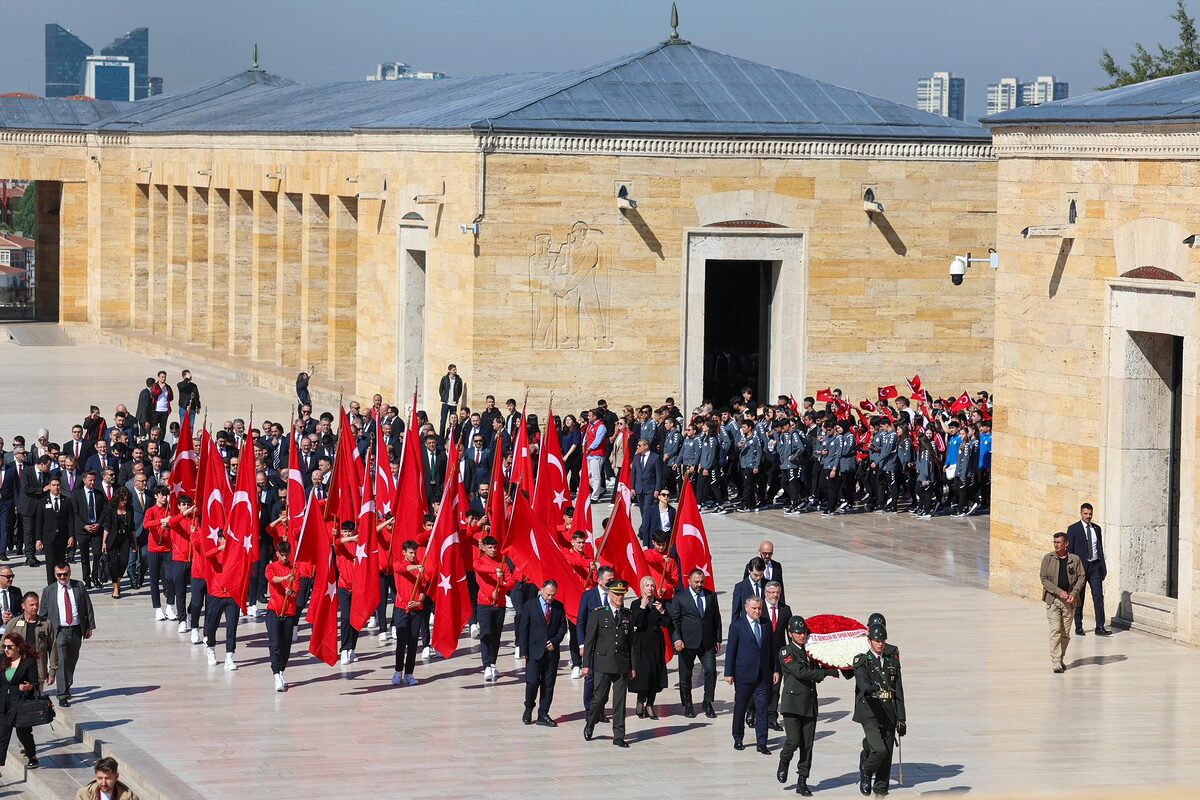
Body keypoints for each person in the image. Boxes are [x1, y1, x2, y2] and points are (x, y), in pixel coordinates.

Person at [777, 616, 839, 795]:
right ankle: (784, 760)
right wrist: (825, 672)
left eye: (804, 632)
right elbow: (801, 672)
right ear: (790, 634)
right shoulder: (786, 652)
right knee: (793, 740)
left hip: (809, 703)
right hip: (793, 703)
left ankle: (802, 780)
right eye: (798, 632)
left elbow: (817, 665)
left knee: (807, 745)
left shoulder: (811, 651)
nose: (802, 635)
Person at [853, 624, 906, 797]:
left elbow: (898, 690)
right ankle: (866, 770)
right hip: (870, 712)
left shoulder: (891, 662)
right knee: (879, 750)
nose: (880, 644)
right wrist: (871, 688)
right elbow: (862, 682)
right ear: (869, 641)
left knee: (887, 755)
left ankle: (881, 791)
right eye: (876, 640)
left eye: (882, 640)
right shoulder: (862, 660)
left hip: (889, 712)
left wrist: (902, 719)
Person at [582, 578, 634, 748]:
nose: (620, 597)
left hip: (622, 664)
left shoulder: (627, 615)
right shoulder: (598, 613)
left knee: (620, 700)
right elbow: (590, 641)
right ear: (610, 594)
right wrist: (586, 665)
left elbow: (631, 643)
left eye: (622, 594)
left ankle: (619, 735)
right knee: (599, 698)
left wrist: (633, 666)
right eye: (617, 594)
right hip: (603, 662)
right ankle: (590, 724)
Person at [724, 596, 778, 754]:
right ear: (746, 608)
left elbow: (771, 650)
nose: (757, 611)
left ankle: (762, 743)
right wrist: (729, 673)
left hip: (763, 675)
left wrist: (775, 669)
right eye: (754, 608)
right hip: (744, 675)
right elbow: (731, 651)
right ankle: (738, 737)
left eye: (759, 608)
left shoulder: (766, 625)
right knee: (741, 708)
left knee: (762, 710)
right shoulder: (737, 626)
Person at [39, 561, 95, 707]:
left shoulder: (79, 586)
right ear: (55, 575)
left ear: (70, 573)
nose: (63, 577)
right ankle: (62, 694)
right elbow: (43, 614)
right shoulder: (48, 591)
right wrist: (43, 633)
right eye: (59, 574)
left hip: (76, 629)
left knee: (72, 660)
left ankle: (67, 686)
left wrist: (89, 627)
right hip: (59, 631)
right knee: (62, 662)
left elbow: (87, 607)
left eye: (65, 574)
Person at [669, 568, 722, 719]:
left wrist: (718, 638)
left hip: (707, 643)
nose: (699, 584)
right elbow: (675, 621)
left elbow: (716, 618)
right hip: (687, 643)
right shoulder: (680, 597)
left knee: (711, 671)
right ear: (689, 581)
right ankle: (688, 704)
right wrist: (677, 639)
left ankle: (707, 702)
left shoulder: (711, 596)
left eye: (701, 582)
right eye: (696, 582)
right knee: (685, 676)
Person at [517, 579, 567, 727]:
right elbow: (523, 629)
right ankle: (529, 707)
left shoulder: (558, 607)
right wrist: (523, 651)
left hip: (551, 653)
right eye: (548, 594)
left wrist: (556, 641)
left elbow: (562, 628)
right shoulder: (530, 606)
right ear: (541, 590)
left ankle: (543, 713)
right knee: (532, 682)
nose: (550, 598)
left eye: (553, 595)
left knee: (548, 684)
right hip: (533, 651)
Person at [1040, 531, 1085, 673]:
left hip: (1069, 602)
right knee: (1055, 630)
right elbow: (1044, 579)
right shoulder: (1048, 558)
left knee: (1065, 633)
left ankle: (1060, 658)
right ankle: (1056, 661)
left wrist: (1074, 593)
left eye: (1059, 542)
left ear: (1066, 544)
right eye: (1054, 542)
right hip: (1053, 600)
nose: (1056, 545)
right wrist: (1059, 592)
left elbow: (1081, 576)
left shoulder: (1075, 559)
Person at [629, 575, 670, 720]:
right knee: (643, 675)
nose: (650, 588)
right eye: (647, 586)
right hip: (641, 643)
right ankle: (640, 701)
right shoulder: (635, 604)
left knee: (654, 674)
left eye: (652, 586)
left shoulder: (659, 603)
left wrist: (662, 612)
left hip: (656, 644)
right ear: (642, 588)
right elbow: (635, 623)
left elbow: (666, 623)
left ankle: (650, 704)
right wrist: (642, 606)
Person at [474, 535, 514, 682]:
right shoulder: (479, 561)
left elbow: (511, 581)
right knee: (486, 634)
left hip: (500, 604)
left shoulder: (502, 563)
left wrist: (502, 587)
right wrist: (495, 569)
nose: (493, 550)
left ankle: (492, 663)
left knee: (496, 636)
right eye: (489, 547)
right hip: (484, 604)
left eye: (495, 547)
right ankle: (486, 666)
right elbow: (480, 568)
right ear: (483, 548)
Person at [1066, 502, 1110, 636]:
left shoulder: (1096, 529)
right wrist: (1071, 571)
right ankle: (1078, 626)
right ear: (1081, 513)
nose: (1088, 516)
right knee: (1080, 598)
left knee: (1098, 597)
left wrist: (1102, 567)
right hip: (1080, 569)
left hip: (1095, 567)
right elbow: (1070, 552)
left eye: (1090, 514)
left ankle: (1100, 626)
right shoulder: (1073, 529)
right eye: (1086, 514)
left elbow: (1100, 549)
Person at [264, 539, 300, 692]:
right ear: (277, 554)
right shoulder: (271, 567)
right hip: (274, 611)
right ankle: (276, 674)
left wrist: (290, 592)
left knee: (286, 646)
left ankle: (282, 671)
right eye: (282, 555)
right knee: (274, 644)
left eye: (287, 555)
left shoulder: (295, 570)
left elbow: (296, 592)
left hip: (289, 613)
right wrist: (286, 579)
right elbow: (273, 579)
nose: (285, 558)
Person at [576, 566, 613, 714]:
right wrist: (581, 643)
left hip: (608, 644)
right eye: (608, 580)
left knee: (605, 679)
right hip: (591, 644)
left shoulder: (614, 595)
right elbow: (580, 621)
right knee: (590, 678)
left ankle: (600, 709)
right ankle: (589, 710)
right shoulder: (588, 596)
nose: (611, 582)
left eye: (612, 579)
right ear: (599, 580)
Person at [0, 631, 39, 774]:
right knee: (2, 735)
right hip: (4, 703)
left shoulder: (28, 662)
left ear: (18, 647)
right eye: (5, 646)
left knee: (23, 734)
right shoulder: (1, 660)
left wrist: (29, 687)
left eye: (10, 647)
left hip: (20, 704)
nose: (6, 650)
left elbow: (35, 683)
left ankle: (32, 756)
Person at [391, 539, 425, 687]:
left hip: (416, 610)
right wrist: (417, 567)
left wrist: (419, 602)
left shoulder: (420, 568)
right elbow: (403, 569)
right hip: (401, 608)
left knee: (412, 643)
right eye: (411, 553)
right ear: (404, 552)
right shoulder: (398, 564)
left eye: (415, 553)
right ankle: (398, 671)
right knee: (401, 642)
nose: (413, 555)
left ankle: (409, 673)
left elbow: (424, 589)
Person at [7, 592, 54, 692]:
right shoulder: (13, 623)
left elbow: (53, 649)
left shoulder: (46, 624)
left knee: (36, 703)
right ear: (23, 606)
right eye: (31, 605)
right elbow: (3, 646)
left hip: (38, 670)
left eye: (37, 604)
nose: (35, 607)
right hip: (17, 671)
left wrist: (52, 672)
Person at [100, 487, 135, 599]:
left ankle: (117, 581)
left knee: (124, 562)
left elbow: (132, 525)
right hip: (113, 538)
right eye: (122, 499)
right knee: (114, 562)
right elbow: (107, 525)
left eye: (126, 499)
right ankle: (116, 586)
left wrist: (135, 541)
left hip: (125, 537)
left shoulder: (130, 508)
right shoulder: (111, 508)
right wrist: (104, 542)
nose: (124, 502)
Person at [74, 756, 140, 800]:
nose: (103, 783)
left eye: (108, 778)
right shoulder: (83, 795)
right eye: (100, 778)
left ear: (116, 777)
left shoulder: (129, 797)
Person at [438, 364, 465, 438]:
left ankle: (451, 436)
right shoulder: (444, 378)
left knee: (453, 421)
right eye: (453, 370)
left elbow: (459, 391)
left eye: (455, 369)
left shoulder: (458, 380)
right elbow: (441, 389)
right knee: (443, 421)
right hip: (445, 403)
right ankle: (441, 437)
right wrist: (443, 397)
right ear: (449, 371)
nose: (455, 371)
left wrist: (456, 399)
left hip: (453, 403)